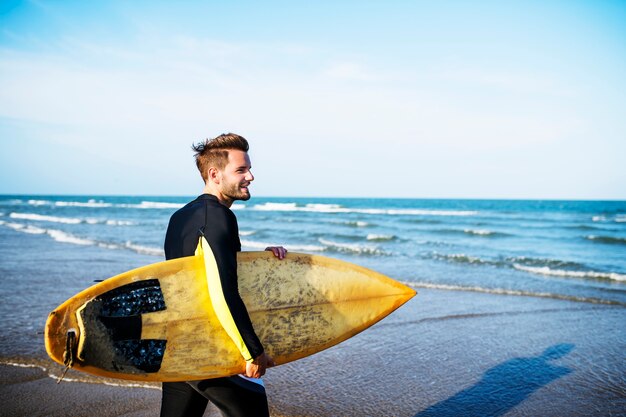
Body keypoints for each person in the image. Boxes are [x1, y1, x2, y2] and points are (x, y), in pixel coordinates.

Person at [160, 133, 287, 417]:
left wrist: (258, 262)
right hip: (209, 349)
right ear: (215, 174)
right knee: (253, 408)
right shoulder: (218, 217)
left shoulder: (180, 216)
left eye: (249, 168)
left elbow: (197, 274)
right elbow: (222, 290)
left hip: (179, 346)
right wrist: (252, 351)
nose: (251, 176)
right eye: (241, 170)